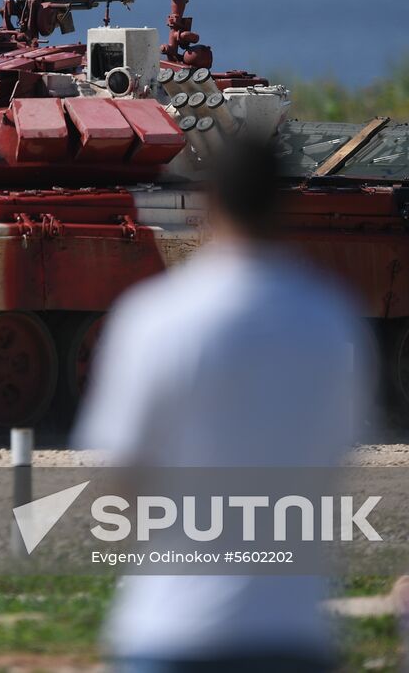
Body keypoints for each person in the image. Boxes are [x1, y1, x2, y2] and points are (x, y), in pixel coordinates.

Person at [73, 138, 375, 673]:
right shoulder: (331, 320)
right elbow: (337, 457)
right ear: (285, 204)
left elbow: (120, 477)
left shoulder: (154, 317)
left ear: (208, 205)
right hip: (291, 629)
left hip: (171, 625)